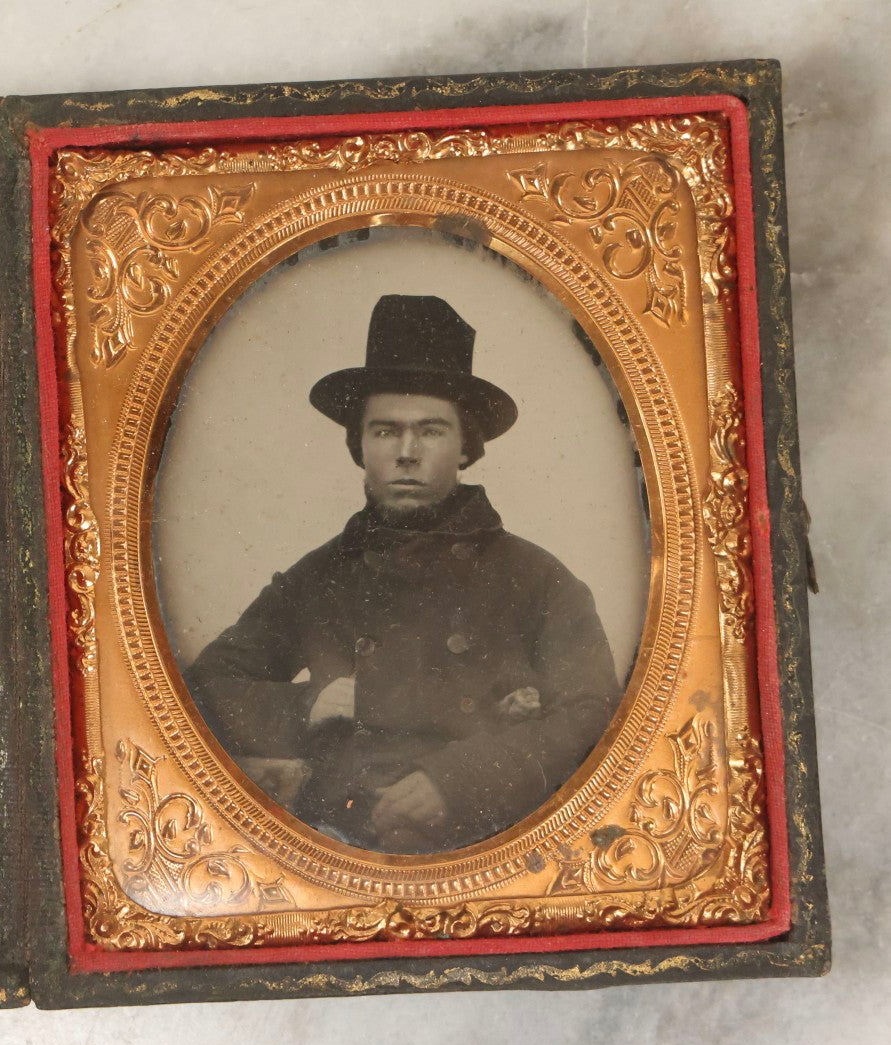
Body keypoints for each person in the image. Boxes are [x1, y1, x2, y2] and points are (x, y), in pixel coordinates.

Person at [184, 294, 620, 854]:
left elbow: (591, 713)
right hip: (338, 842)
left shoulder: (537, 579)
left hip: (485, 844)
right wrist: (307, 706)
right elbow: (204, 690)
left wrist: (458, 783)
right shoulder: (317, 579)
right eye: (386, 431)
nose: (407, 452)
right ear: (360, 445)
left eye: (431, 430)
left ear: (466, 447)